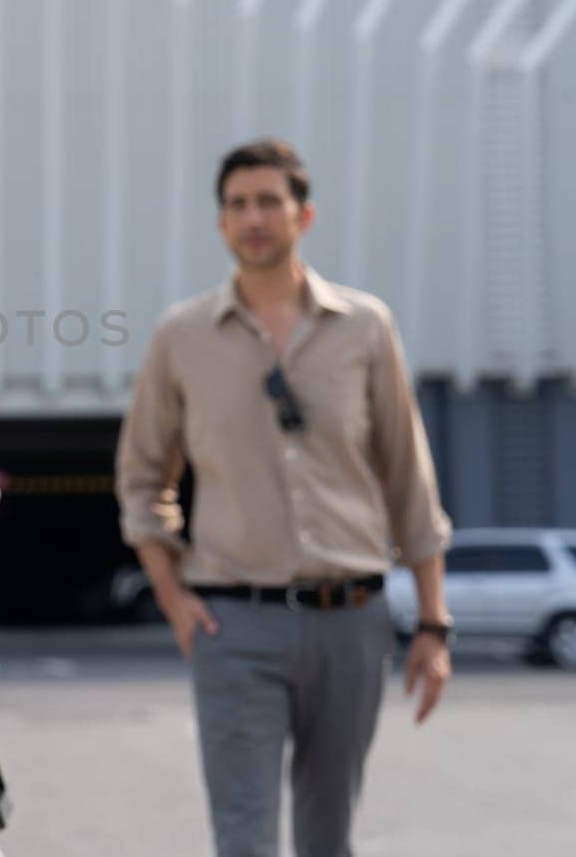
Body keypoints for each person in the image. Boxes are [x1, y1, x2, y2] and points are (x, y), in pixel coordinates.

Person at [114, 139, 453, 857]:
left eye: (269, 201)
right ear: (221, 224)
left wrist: (434, 621)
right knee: (246, 839)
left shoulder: (365, 327)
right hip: (234, 624)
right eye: (237, 204)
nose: (253, 217)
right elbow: (143, 477)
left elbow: (407, 476)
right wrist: (173, 596)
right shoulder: (181, 336)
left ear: (304, 214)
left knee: (328, 838)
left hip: (352, 621)